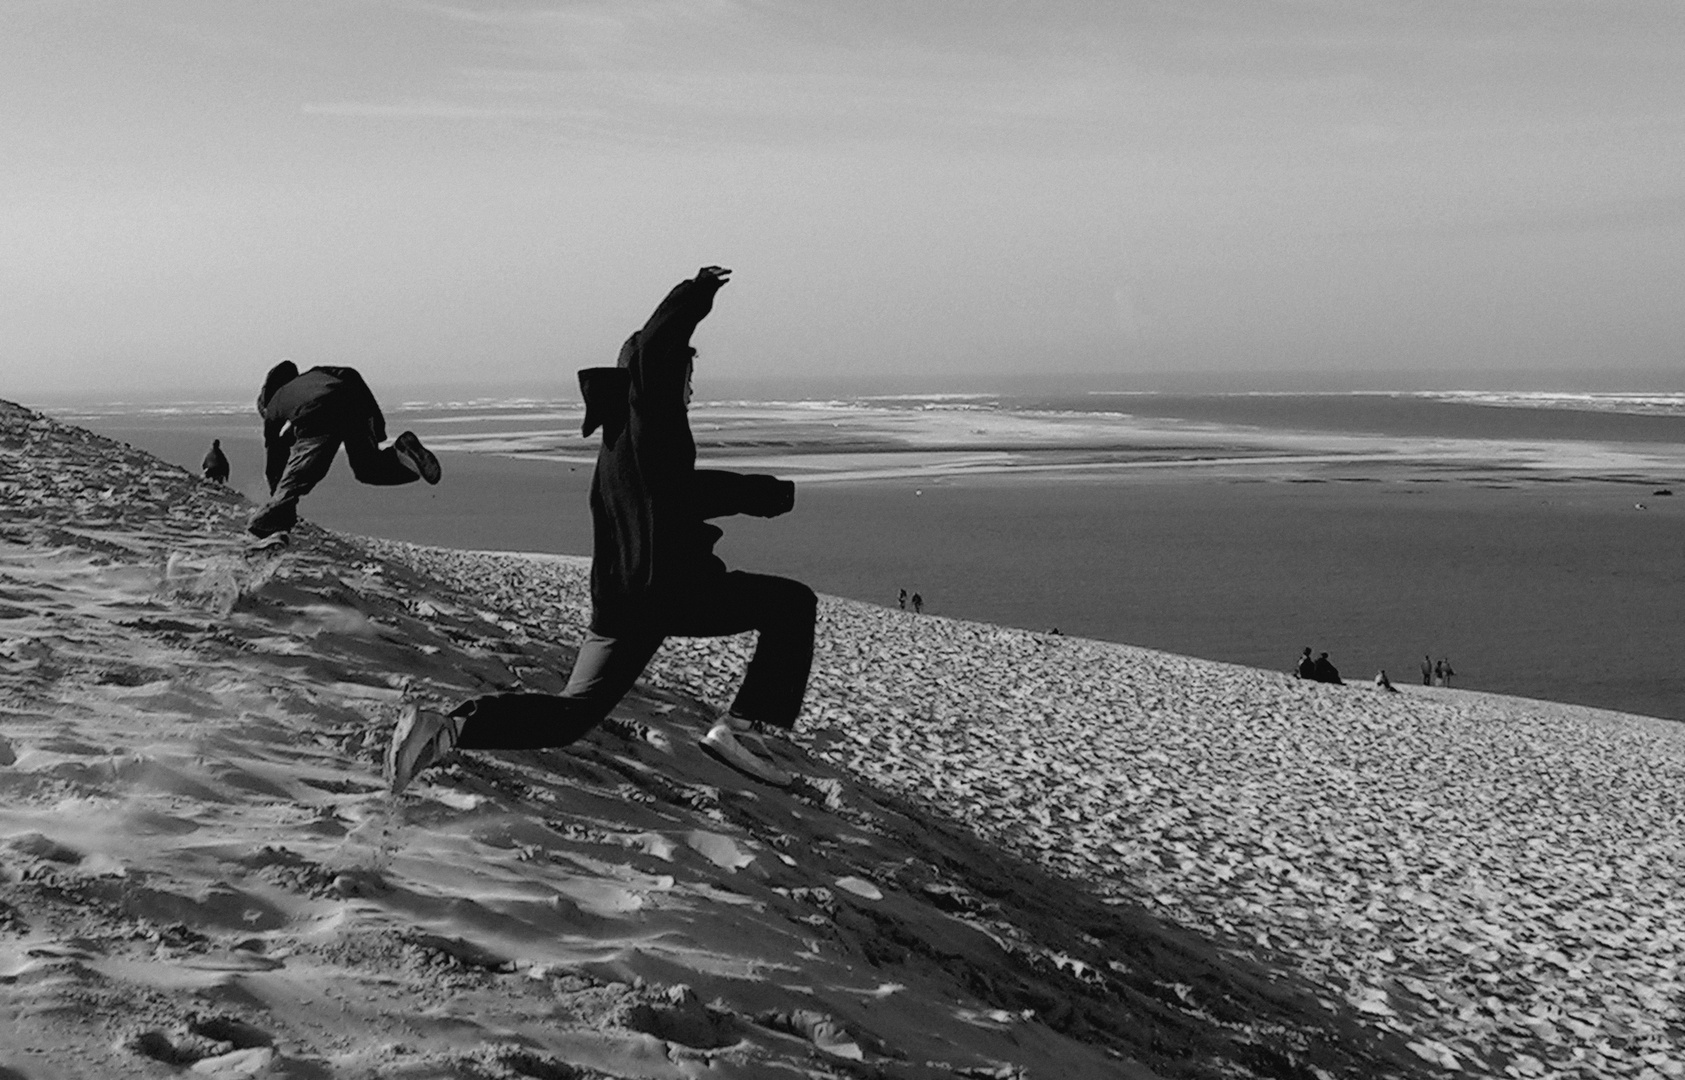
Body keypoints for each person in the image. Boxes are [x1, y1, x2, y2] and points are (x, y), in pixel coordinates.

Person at [388, 266, 816, 792]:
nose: (690, 390)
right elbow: (657, 350)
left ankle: (448, 729)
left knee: (574, 713)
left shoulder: (620, 446)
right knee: (792, 605)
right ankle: (742, 729)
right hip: (670, 591)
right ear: (661, 378)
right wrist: (695, 293)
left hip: (621, 602)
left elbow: (676, 496)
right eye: (687, 378)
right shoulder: (653, 420)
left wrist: (760, 494)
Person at [247, 362, 440, 538]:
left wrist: (276, 493)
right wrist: (377, 428)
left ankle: (270, 524)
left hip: (320, 412)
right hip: (353, 403)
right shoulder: (317, 373)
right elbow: (352, 375)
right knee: (367, 468)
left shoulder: (273, 407)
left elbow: (275, 458)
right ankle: (402, 451)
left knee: (298, 475)